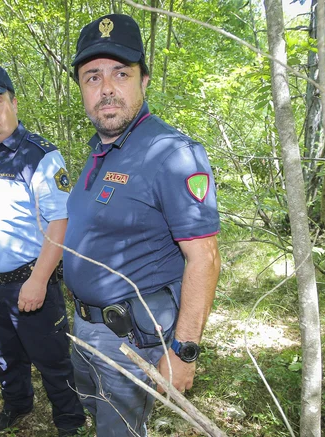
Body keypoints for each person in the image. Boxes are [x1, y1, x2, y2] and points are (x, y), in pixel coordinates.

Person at [63, 14, 221, 436]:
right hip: (86, 326)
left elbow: (204, 256)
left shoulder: (171, 153)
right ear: (81, 89)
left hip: (129, 339)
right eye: (92, 77)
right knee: (99, 417)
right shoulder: (99, 151)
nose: (106, 88)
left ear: (144, 80)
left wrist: (184, 351)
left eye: (121, 73)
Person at [0, 63, 85, 436]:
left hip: (30, 281)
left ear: (12, 102)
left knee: (51, 357)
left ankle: (70, 421)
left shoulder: (40, 156)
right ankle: (18, 405)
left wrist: (39, 280)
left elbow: (60, 221)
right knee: (5, 354)